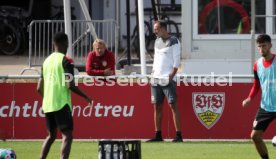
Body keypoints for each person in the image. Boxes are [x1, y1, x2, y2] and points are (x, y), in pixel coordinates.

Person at [37, 32, 92, 159]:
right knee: (67, 135)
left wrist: (47, 98)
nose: (68, 46)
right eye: (67, 43)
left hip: (48, 104)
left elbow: (39, 88)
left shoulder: (46, 61)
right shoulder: (66, 61)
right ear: (64, 43)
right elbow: (70, 85)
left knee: (51, 136)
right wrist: (86, 96)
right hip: (61, 103)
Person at [242, 34, 276, 159]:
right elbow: (256, 85)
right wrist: (249, 98)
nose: (262, 48)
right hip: (266, 107)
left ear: (270, 46)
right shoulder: (257, 65)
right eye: (259, 46)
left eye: (264, 45)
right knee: (255, 136)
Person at [148, 20, 183, 142]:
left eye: (157, 28)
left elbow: (176, 61)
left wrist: (171, 76)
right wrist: (152, 74)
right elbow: (156, 60)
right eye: (154, 29)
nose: (155, 31)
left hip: (168, 79)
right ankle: (158, 135)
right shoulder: (157, 41)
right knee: (157, 107)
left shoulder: (174, 41)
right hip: (155, 79)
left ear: (163, 28)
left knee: (173, 106)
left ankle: (178, 135)